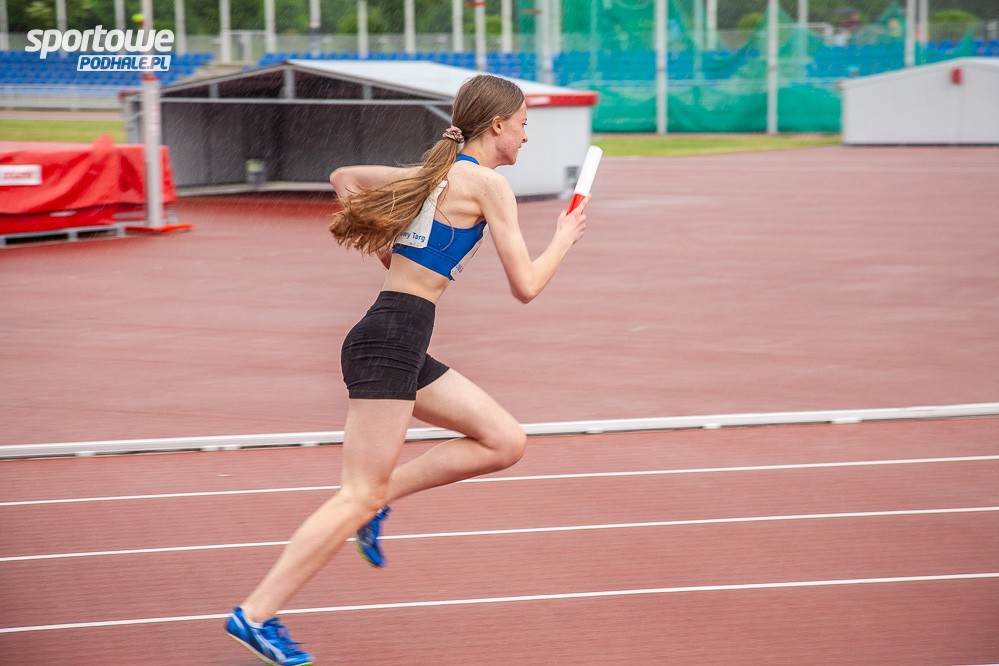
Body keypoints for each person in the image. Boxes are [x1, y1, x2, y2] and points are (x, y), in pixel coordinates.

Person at [224, 73, 589, 666]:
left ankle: (379, 501)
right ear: (497, 125)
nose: (527, 137)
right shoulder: (488, 185)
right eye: (523, 125)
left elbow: (344, 177)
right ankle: (256, 614)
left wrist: (383, 242)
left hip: (397, 338)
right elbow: (525, 285)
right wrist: (565, 238)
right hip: (391, 340)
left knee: (504, 441)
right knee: (354, 495)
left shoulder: (430, 176)